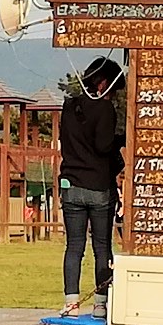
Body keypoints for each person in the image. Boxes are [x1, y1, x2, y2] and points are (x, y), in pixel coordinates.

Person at [56, 55, 124, 310]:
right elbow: (103, 146)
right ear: (103, 83)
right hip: (98, 186)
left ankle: (71, 302)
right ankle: (100, 304)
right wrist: (119, 140)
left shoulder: (69, 106)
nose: (113, 97)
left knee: (74, 246)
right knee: (102, 247)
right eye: (114, 91)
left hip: (71, 184)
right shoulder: (105, 109)